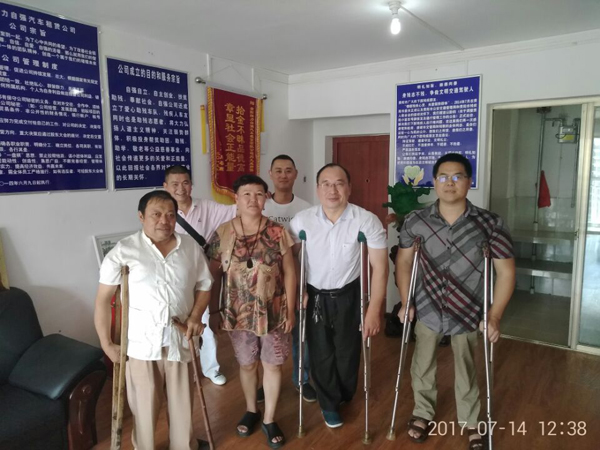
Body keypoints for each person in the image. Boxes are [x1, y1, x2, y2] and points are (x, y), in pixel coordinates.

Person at [395, 153, 515, 450]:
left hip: (469, 309)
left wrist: (494, 315)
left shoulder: (490, 223)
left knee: (466, 366)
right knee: (422, 364)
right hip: (427, 305)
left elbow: (505, 272)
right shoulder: (416, 221)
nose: (450, 183)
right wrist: (406, 301)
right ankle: (422, 413)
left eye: (458, 176)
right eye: (444, 177)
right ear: (435, 182)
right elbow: (404, 262)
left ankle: (471, 421)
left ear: (469, 181)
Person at [94, 190, 213, 450]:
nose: (164, 221)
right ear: (141, 217)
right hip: (141, 345)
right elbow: (103, 300)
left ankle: (183, 446)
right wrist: (107, 344)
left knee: (183, 406)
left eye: (170, 215)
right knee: (144, 408)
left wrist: (195, 316)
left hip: (180, 338)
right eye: (156, 214)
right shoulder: (124, 251)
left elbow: (205, 284)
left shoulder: (190, 247)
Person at [289, 163, 389, 428]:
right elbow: (290, 258)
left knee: (348, 351)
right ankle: (329, 403)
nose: (332, 190)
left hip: (350, 295)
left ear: (349, 188)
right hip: (314, 296)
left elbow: (380, 267)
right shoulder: (302, 221)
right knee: (320, 351)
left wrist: (374, 310)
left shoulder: (365, 220)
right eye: (326, 184)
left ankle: (343, 393)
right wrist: (298, 290)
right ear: (317, 188)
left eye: (339, 183)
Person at [207, 174, 296, 449]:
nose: (253, 199)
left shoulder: (278, 232)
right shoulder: (223, 232)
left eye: (259, 194)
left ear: (266, 198)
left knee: (273, 364)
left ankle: (269, 418)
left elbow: (290, 272)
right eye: (246, 194)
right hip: (237, 312)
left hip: (274, 310)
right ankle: (251, 409)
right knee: (246, 363)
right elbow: (213, 276)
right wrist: (213, 311)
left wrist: (291, 310)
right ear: (236, 198)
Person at [163, 164, 237, 386]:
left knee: (204, 323)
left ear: (191, 185)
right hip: (173, 279)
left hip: (202, 277)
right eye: (175, 184)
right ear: (165, 186)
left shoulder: (207, 207)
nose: (181, 188)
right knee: (174, 324)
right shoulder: (163, 212)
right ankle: (179, 371)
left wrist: (257, 196)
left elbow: (236, 209)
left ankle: (210, 368)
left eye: (185, 183)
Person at [262, 154, 316, 402]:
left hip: (298, 278)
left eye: (288, 171)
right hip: (265, 284)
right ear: (270, 174)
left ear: (295, 174)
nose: (283, 175)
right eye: (278, 171)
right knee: (266, 334)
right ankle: (266, 380)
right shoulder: (262, 205)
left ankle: (301, 379)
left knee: (300, 333)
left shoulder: (306, 208)